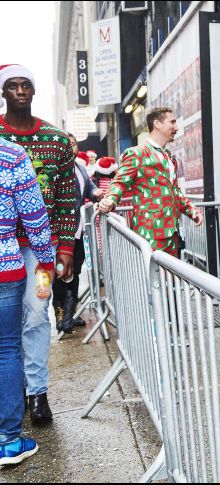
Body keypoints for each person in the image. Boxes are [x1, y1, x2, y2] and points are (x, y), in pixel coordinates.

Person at [0, 64, 77, 424]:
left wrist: (66, 249)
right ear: (3, 92)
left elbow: (66, 198)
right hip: (4, 246)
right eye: (12, 85)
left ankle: (37, 393)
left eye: (25, 85)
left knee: (37, 312)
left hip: (42, 250)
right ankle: (11, 390)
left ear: (34, 90)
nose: (19, 91)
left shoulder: (57, 140)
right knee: (7, 321)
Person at [0, 136, 55, 465]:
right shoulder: (10, 155)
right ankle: (7, 441)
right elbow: (34, 216)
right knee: (7, 348)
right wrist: (46, 261)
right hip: (5, 265)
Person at [98, 107, 203, 254]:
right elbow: (119, 182)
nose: (176, 127)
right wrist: (110, 199)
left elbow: (174, 191)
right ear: (157, 124)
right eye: (172, 122)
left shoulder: (169, 157)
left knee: (170, 269)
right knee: (151, 270)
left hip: (172, 233)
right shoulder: (137, 153)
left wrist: (192, 211)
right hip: (148, 234)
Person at [53, 133, 104, 334]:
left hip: (78, 231)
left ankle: (70, 315)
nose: (70, 147)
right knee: (60, 273)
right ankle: (60, 315)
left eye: (73, 144)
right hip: (60, 233)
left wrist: (96, 193)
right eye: (66, 144)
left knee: (75, 272)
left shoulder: (80, 168)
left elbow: (89, 187)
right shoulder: (56, 170)